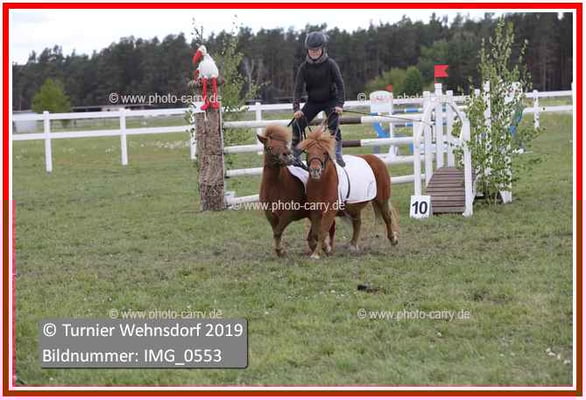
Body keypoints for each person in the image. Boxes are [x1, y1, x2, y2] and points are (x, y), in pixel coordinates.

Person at [291, 31, 346, 167]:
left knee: (333, 125)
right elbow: (297, 89)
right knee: (296, 125)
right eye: (311, 50)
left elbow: (340, 85)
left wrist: (340, 104)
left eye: (317, 50)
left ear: (322, 49)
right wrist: (296, 109)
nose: (314, 52)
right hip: (313, 101)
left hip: (330, 100)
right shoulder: (303, 68)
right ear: (307, 50)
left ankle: (337, 153)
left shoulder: (331, 64)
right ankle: (295, 153)